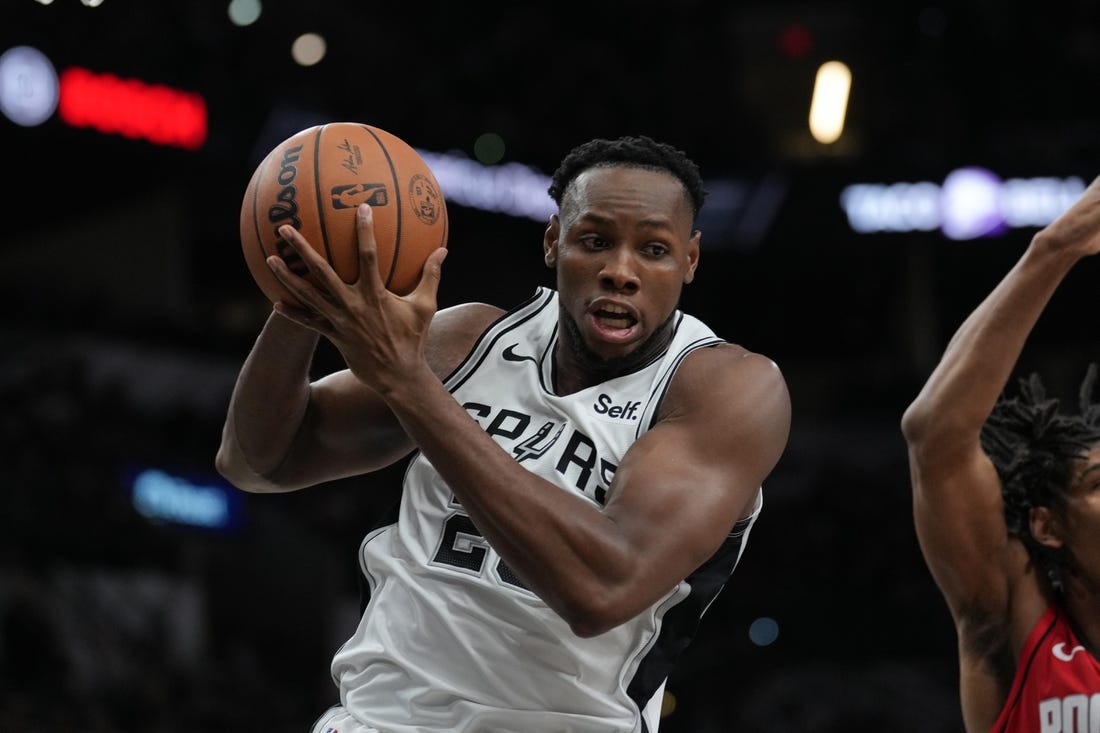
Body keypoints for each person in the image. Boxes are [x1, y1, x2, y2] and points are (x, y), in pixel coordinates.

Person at [215, 134, 792, 733]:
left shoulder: (723, 389)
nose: (620, 271)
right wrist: (300, 303)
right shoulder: (469, 341)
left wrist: (410, 386)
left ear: (690, 260)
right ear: (553, 242)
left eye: (653, 249)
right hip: (378, 720)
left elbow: (602, 589)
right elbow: (258, 462)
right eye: (594, 241)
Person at [900, 176, 1100, 732]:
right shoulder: (1015, 618)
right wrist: (1055, 248)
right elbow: (933, 434)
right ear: (1048, 525)